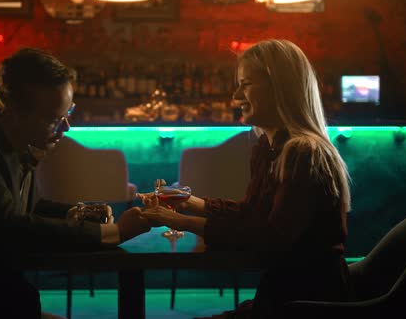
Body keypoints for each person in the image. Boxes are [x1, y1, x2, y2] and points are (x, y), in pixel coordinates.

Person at [0, 48, 150, 319]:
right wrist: (112, 233)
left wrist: (79, 213)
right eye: (54, 118)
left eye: (69, 112)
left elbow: (29, 210)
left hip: (2, 294)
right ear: (12, 113)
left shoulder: (11, 137)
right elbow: (5, 229)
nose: (66, 127)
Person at [141, 39, 352, 319]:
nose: (235, 96)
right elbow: (254, 214)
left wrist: (183, 223)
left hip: (308, 303)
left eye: (246, 84)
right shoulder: (268, 148)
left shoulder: (303, 153)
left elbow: (271, 242)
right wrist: (190, 203)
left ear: (280, 89)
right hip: (282, 295)